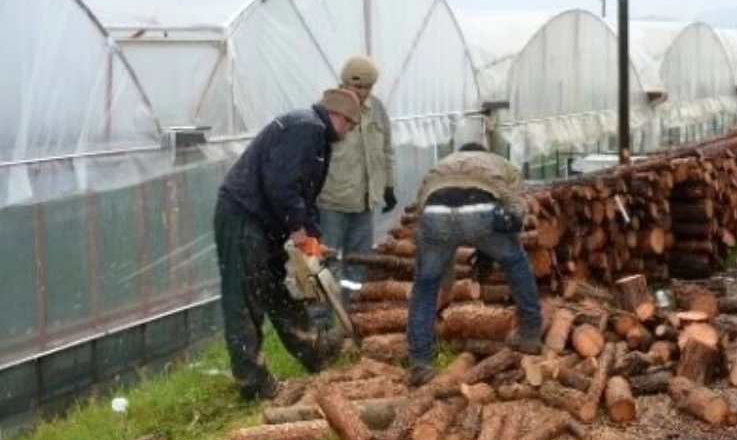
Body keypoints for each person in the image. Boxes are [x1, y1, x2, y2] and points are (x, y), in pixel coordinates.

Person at [213, 89, 362, 400]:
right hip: (245, 215)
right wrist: (298, 230)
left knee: (280, 291)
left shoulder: (317, 136)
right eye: (350, 124)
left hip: (267, 221)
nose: (350, 131)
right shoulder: (305, 129)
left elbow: (305, 194)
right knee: (244, 298)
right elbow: (282, 185)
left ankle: (313, 349)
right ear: (340, 116)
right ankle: (251, 380)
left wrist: (314, 236)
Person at [407, 143, 544, 386]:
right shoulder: (499, 163)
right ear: (485, 153)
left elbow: (424, 211)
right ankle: (530, 334)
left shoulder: (443, 164)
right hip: (480, 208)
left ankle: (420, 362)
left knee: (425, 285)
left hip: (435, 212)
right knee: (516, 262)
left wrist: (445, 288)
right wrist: (506, 237)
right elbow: (516, 203)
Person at [315, 55, 397, 318]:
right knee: (326, 261)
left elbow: (386, 150)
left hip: (364, 202)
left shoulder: (377, 110)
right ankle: (321, 317)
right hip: (332, 202)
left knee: (358, 262)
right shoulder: (326, 110)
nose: (362, 93)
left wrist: (388, 186)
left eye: (367, 88)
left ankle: (354, 313)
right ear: (344, 83)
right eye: (357, 87)